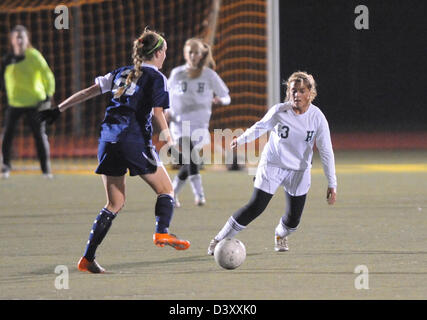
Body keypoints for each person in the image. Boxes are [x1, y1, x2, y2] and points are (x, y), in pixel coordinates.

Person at [39, 28, 190, 274]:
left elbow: (89, 92)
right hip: (133, 140)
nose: (166, 55)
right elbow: (157, 113)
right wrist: (171, 145)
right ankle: (162, 232)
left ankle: (87, 258)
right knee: (166, 190)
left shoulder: (121, 72)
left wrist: (59, 109)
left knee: (114, 202)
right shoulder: (157, 78)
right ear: (160, 52)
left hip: (107, 140)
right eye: (165, 51)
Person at [207, 71, 337, 255]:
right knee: (256, 206)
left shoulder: (317, 118)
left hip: (299, 171)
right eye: (293, 90)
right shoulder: (279, 111)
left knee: (293, 221)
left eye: (301, 91)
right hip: (273, 164)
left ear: (310, 93)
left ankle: (280, 234)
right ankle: (218, 240)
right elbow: (260, 126)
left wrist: (332, 183)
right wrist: (241, 139)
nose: (296, 95)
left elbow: (326, 151)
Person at [166, 38, 230, 207]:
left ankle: (172, 194)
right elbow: (167, 96)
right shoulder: (177, 73)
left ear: (202, 55)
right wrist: (166, 113)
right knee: (193, 159)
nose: (193, 56)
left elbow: (226, 96)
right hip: (180, 125)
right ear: (185, 54)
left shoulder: (209, 75)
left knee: (191, 161)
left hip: (200, 125)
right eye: (190, 52)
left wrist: (220, 100)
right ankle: (199, 195)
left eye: (196, 53)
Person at [1, 25, 55, 179]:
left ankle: (46, 171)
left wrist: (48, 95)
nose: (19, 40)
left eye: (22, 37)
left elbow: (48, 75)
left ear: (27, 39)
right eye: (16, 37)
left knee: (39, 135)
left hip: (35, 102)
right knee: (7, 136)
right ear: (12, 40)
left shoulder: (34, 56)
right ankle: (5, 168)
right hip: (15, 104)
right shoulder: (7, 60)